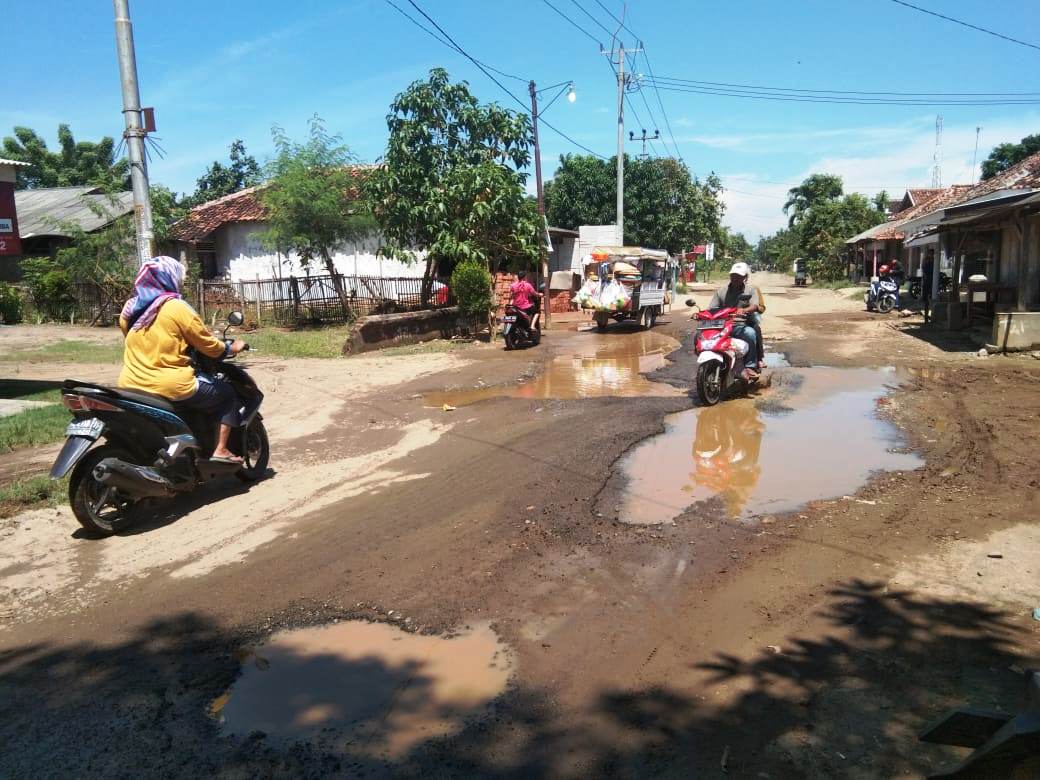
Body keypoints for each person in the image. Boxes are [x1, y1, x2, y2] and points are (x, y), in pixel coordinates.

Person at [118, 256, 247, 463]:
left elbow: (134, 339)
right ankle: (221, 450)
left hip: (130, 384)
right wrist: (231, 347)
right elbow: (208, 345)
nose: (181, 283)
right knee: (227, 394)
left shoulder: (130, 310)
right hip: (170, 385)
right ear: (169, 278)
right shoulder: (176, 307)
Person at [708, 262, 763, 379]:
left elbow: (755, 305)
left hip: (740, 324)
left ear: (744, 277)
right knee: (700, 335)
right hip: (721, 325)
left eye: (738, 276)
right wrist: (701, 314)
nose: (735, 278)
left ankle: (750, 366)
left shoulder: (751, 290)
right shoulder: (721, 291)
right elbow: (712, 308)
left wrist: (744, 310)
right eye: (733, 275)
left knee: (750, 333)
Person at [921, 249, 935, 324]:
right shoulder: (927, 261)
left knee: (930, 300)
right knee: (926, 301)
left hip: (931, 283)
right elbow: (924, 270)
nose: (931, 255)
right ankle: (926, 318)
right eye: (930, 254)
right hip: (927, 282)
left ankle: (929, 317)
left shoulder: (933, 261)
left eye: (931, 254)